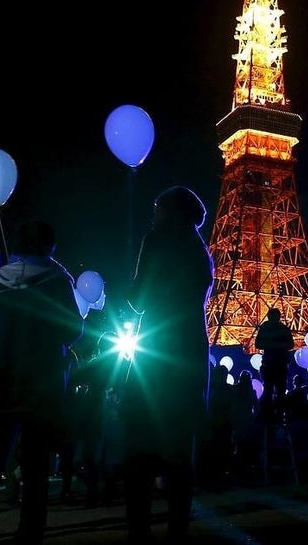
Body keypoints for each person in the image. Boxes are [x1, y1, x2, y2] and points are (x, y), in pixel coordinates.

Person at [0, 219, 81, 545]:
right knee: (36, 465)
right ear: (50, 245)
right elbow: (74, 329)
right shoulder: (58, 281)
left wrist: (0, 352)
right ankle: (30, 532)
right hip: (41, 386)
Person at [118, 185, 214, 543]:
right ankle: (178, 530)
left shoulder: (155, 240)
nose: (153, 213)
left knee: (139, 448)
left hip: (157, 350)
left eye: (157, 207)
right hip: (189, 352)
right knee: (179, 453)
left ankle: (138, 530)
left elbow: (137, 299)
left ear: (170, 211)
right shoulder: (200, 253)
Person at [253, 307, 295, 423]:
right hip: (276, 364)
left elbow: (258, 344)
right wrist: (279, 345)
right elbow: (290, 345)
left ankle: (274, 416)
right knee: (274, 390)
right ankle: (275, 416)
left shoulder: (267, 329)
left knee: (272, 390)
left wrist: (271, 345)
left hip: (273, 363)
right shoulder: (280, 329)